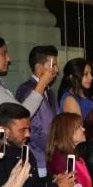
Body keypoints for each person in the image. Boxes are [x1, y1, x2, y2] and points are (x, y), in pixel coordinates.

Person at [16, 45, 60, 177]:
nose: (56, 70)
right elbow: (31, 129)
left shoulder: (50, 92)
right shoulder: (26, 89)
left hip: (50, 158)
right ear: (39, 67)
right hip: (37, 158)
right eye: (53, 65)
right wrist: (52, 149)